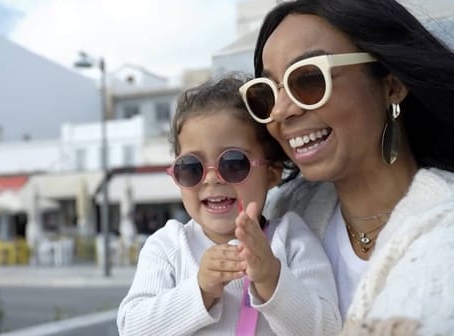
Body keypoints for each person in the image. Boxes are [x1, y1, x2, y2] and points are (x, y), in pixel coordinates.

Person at [238, 0, 454, 335]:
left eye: (309, 79)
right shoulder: (278, 216)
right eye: (266, 94)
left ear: (392, 85)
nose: (281, 111)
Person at [117, 75, 341, 335]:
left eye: (233, 163)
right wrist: (200, 290)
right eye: (191, 167)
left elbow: (328, 328)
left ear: (272, 172)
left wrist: (272, 279)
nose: (211, 178)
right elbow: (132, 327)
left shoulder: (291, 240)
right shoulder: (168, 247)